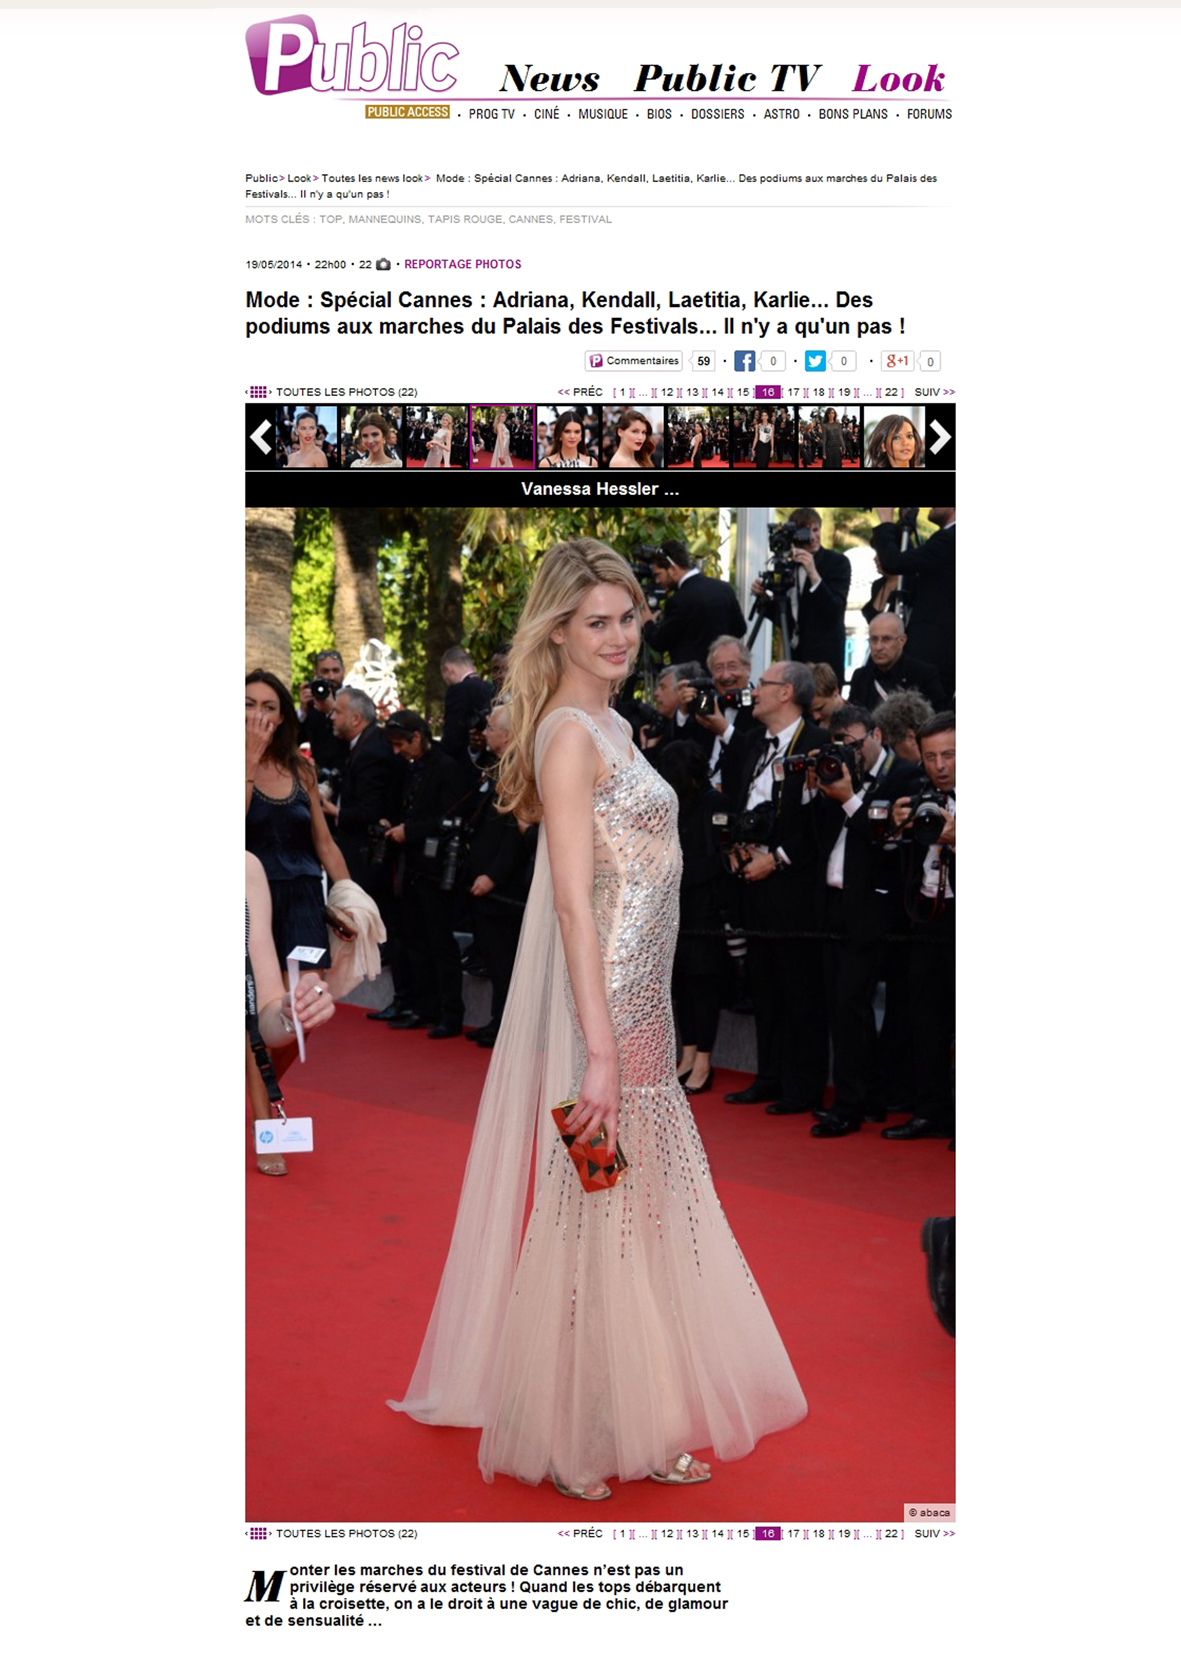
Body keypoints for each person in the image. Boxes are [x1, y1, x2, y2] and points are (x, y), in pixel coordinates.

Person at [388, 538, 807, 1498]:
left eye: (627, 618)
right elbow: (575, 905)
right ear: (557, 631)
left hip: (643, 1006)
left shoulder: (615, 724)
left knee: (637, 1215)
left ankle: (637, 1413)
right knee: (595, 1211)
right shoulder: (570, 735)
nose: (619, 637)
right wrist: (602, 1052)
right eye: (596, 623)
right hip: (604, 1015)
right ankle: (571, 1434)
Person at [245, 670, 349, 1172]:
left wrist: (349, 894)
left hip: (304, 899)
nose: (258, 714)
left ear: (283, 715)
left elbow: (323, 843)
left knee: (301, 1017)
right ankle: (266, 1125)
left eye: (269, 706)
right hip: (251, 901)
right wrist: (246, 761)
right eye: (248, 704)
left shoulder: (301, 770)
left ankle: (258, 1085)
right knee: (253, 1021)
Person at [806, 705, 920, 1137]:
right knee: (842, 1007)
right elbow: (819, 837)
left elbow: (886, 844)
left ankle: (849, 1106)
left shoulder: (903, 776)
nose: (848, 753)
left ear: (876, 735)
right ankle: (867, 1097)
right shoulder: (836, 775)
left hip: (873, 909)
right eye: (840, 746)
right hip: (833, 905)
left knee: (852, 1006)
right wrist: (818, 789)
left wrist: (850, 798)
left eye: (854, 744)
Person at [720, 662, 828, 1114]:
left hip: (795, 887)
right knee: (763, 984)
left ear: (786, 692)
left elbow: (823, 822)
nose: (754, 691)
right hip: (751, 880)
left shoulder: (818, 744)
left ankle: (802, 1087)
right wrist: (736, 848)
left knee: (800, 989)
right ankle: (768, 1076)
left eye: (762, 684)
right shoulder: (752, 743)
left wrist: (777, 858)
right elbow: (736, 801)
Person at [882, 712, 956, 1142]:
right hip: (927, 916)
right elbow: (884, 847)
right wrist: (894, 825)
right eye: (931, 757)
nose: (940, 766)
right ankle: (929, 1112)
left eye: (950, 755)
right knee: (926, 1019)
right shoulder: (915, 792)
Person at [751, 509, 852, 683]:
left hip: (825, 661)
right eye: (805, 532)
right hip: (796, 657)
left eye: (816, 530)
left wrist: (813, 574)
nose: (812, 537)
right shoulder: (789, 568)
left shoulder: (837, 562)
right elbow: (785, 617)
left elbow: (835, 609)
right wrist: (762, 597)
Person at [870, 506, 956, 698]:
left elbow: (895, 562)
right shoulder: (947, 539)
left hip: (936, 653)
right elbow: (913, 565)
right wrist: (902, 528)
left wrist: (886, 518)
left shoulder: (949, 539)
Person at [642, 540, 746, 668]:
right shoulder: (724, 589)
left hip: (687, 676)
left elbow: (659, 642)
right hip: (720, 673)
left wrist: (647, 622)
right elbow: (740, 629)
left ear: (673, 569)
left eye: (658, 574)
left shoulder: (679, 600)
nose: (657, 581)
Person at [847, 613, 948, 714]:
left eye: (886, 639)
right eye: (874, 639)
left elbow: (937, 719)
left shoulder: (923, 675)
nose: (878, 647)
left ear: (902, 641)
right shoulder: (861, 677)